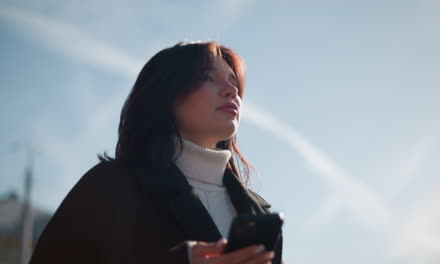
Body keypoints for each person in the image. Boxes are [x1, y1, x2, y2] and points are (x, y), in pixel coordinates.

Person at [30, 41, 283, 264]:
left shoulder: (259, 215)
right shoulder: (108, 186)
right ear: (166, 93)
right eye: (208, 76)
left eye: (233, 80)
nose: (232, 90)